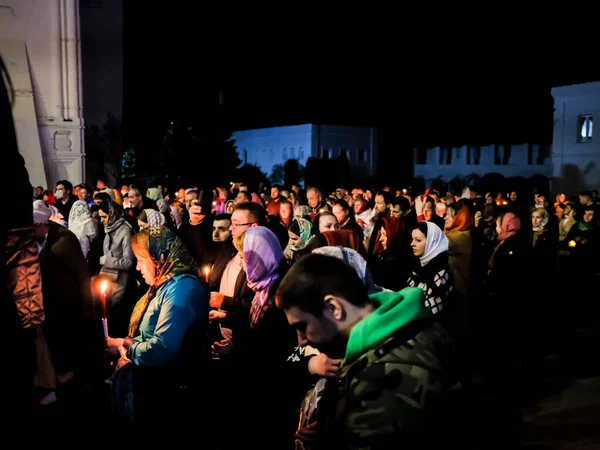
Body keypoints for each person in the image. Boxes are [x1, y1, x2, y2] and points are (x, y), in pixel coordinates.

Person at [276, 253, 458, 448]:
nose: (301, 341)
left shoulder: (382, 384)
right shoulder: (404, 328)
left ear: (333, 308)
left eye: (302, 326)